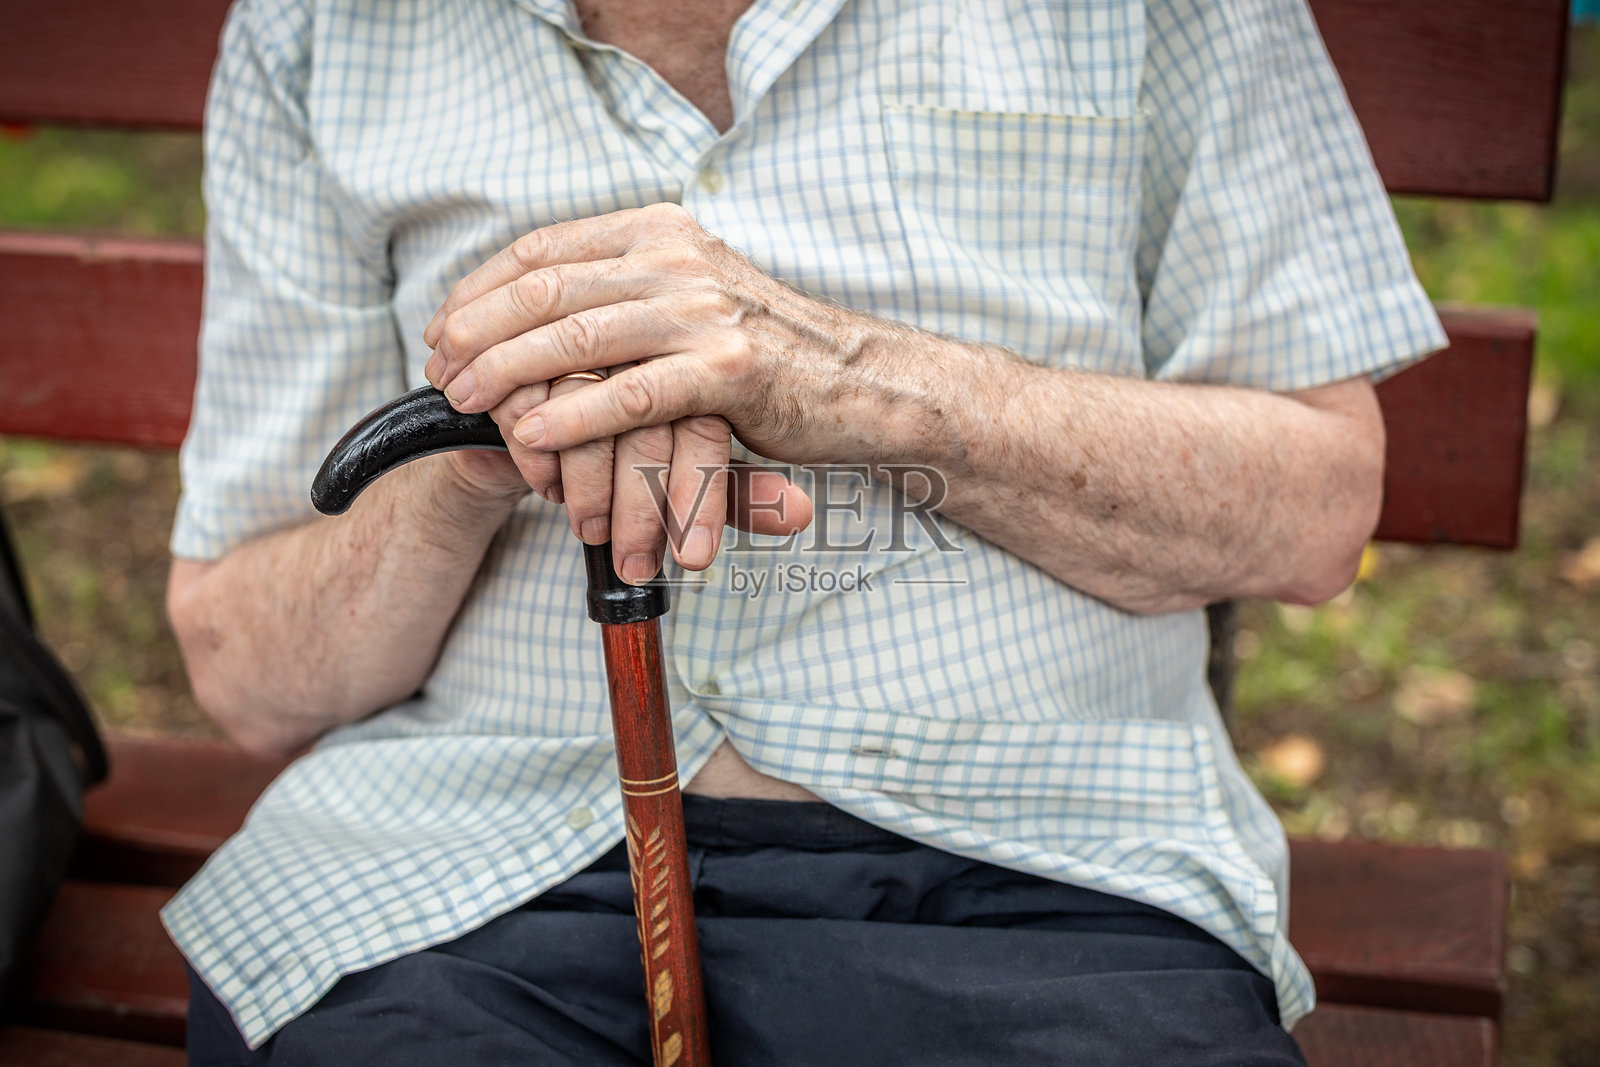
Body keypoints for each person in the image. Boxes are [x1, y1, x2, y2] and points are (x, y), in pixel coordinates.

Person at [164, 0, 1445, 1062]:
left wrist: (837, 376)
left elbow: (1317, 509)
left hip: (1035, 866)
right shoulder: (317, 26)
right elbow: (251, 673)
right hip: (460, 867)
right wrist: (476, 446)